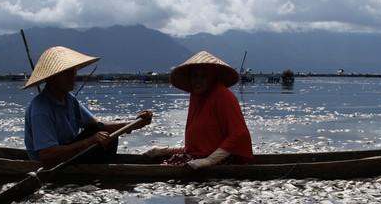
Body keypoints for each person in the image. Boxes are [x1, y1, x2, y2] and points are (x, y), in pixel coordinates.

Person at [24, 46, 152, 165]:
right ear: (51, 78)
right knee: (99, 134)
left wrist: (135, 123)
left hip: (70, 155)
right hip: (52, 163)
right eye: (66, 74)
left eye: (73, 72)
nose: (72, 77)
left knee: (104, 132)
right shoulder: (40, 109)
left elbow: (98, 125)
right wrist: (89, 141)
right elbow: (47, 155)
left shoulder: (69, 99)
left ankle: (102, 171)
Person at [146, 51, 253, 169]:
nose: (198, 80)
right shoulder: (196, 97)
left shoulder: (223, 96)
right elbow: (197, 148)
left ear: (211, 77)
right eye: (195, 76)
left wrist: (209, 160)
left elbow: (239, 134)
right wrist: (163, 151)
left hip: (225, 160)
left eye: (203, 76)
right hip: (199, 157)